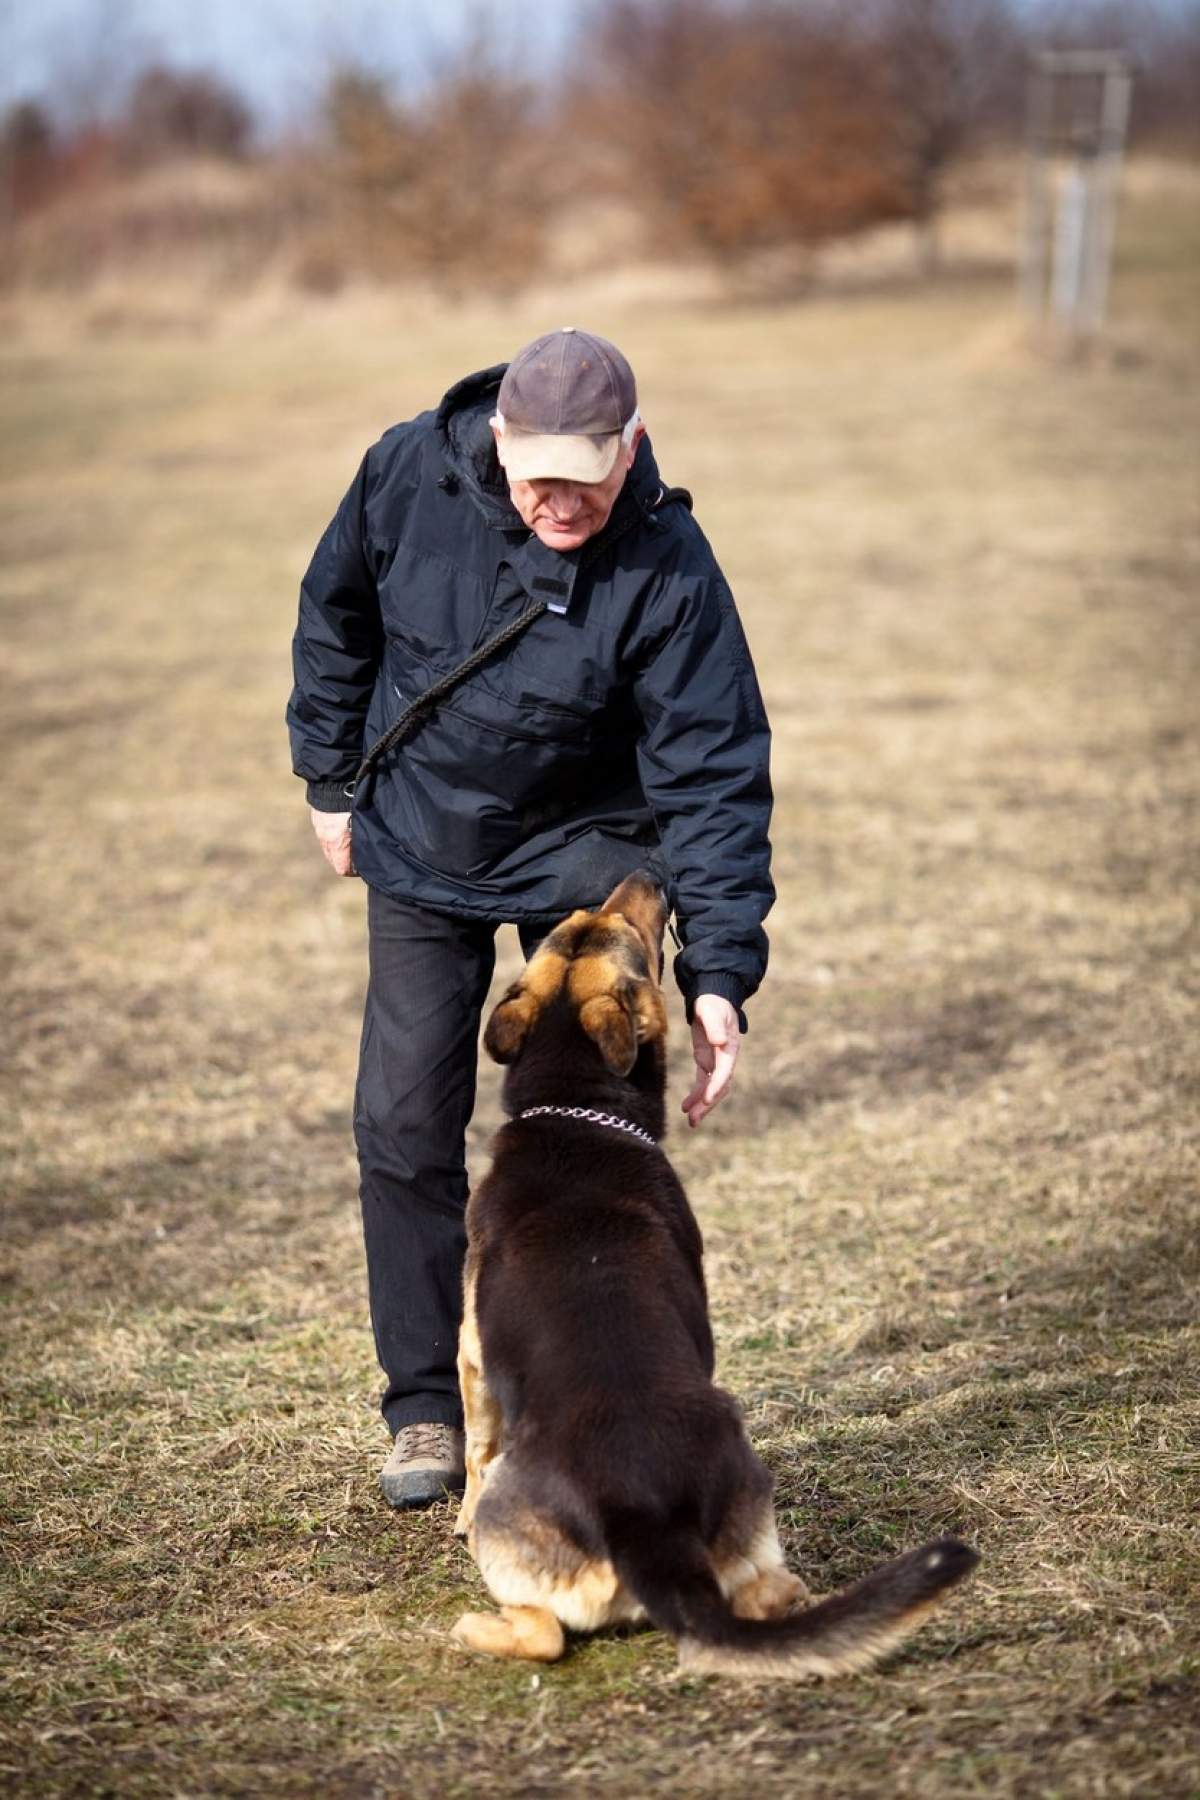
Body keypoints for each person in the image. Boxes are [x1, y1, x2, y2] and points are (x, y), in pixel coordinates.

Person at [287, 328, 773, 1509]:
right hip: (421, 835)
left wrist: (718, 970)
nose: (559, 500)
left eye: (587, 475)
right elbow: (336, 616)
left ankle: (594, 1398)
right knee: (401, 1122)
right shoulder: (405, 473)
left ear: (634, 449)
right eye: (536, 473)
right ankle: (422, 1410)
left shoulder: (669, 562)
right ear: (498, 443)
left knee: (596, 1134)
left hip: (587, 852)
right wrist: (329, 778)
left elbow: (713, 768)